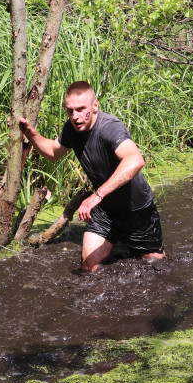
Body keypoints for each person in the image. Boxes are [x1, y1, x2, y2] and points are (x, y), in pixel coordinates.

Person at [18, 82, 165, 273]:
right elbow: (53, 152)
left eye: (81, 109)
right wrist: (29, 132)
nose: (75, 117)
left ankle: (128, 243)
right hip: (105, 211)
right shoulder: (72, 129)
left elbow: (135, 160)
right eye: (70, 111)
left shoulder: (110, 127)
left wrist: (97, 195)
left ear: (95, 105)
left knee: (154, 265)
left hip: (136, 209)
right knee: (88, 266)